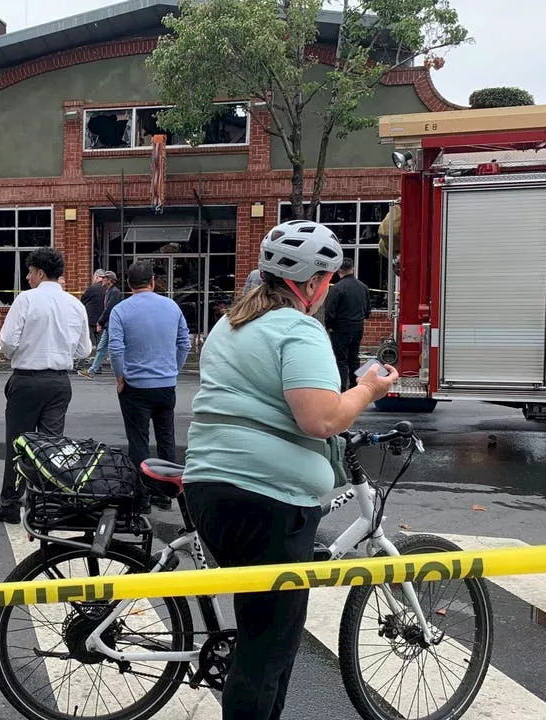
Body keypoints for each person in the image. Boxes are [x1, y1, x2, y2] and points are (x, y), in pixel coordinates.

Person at [182, 220, 398, 719]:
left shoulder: (230, 323)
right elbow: (320, 418)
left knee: (262, 631)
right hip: (269, 501)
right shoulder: (298, 328)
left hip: (212, 487)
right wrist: (368, 389)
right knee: (267, 649)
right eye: (329, 278)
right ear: (315, 283)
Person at [0, 247, 91, 523]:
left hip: (27, 379)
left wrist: (19, 353)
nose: (27, 276)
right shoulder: (75, 304)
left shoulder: (27, 300)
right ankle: (47, 503)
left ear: (40, 273)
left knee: (19, 443)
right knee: (50, 446)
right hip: (59, 382)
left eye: (30, 272)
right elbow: (84, 349)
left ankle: (11, 503)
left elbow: (8, 340)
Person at [106, 260, 190, 469]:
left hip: (135, 385)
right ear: (152, 281)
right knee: (166, 439)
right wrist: (173, 370)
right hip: (165, 384)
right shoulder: (172, 306)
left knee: (138, 442)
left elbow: (115, 349)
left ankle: (142, 497)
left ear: (128, 283)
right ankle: (165, 492)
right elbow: (184, 344)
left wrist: (119, 377)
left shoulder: (120, 310)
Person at [324, 257, 372, 391]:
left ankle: (341, 388)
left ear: (339, 271)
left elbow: (330, 311)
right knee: (354, 357)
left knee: (341, 359)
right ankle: (355, 385)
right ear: (353, 269)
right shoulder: (363, 287)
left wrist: (329, 326)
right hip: (358, 327)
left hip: (340, 328)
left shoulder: (337, 288)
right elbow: (368, 310)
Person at [78, 270, 120, 379]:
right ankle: (93, 370)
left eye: (105, 278)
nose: (103, 280)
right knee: (102, 347)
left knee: (111, 348)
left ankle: (121, 371)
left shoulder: (114, 292)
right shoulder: (109, 291)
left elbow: (109, 308)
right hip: (108, 324)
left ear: (110, 280)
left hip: (111, 324)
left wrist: (100, 321)